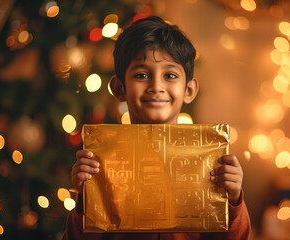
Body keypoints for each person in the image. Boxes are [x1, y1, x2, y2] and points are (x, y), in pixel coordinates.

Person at [63, 16, 251, 240]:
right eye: (141, 75)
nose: (156, 86)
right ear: (119, 88)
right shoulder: (100, 160)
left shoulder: (212, 163)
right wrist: (85, 200)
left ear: (189, 90)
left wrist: (234, 199)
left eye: (170, 76)